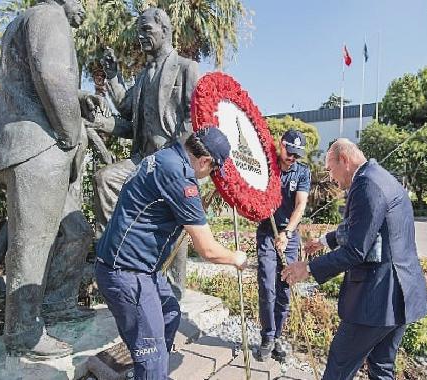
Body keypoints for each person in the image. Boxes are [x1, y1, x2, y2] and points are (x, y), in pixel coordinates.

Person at [94, 127, 247, 379]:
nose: (212, 175)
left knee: (170, 313)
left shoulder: (166, 156)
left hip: (140, 269)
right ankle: (151, 369)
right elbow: (207, 249)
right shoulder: (179, 177)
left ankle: (151, 370)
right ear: (204, 160)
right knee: (152, 355)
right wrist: (235, 258)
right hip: (128, 273)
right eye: (214, 170)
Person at [0, 0, 90, 358]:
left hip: (37, 145)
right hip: (38, 146)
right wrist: (71, 131)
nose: (86, 8)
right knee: (33, 243)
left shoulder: (25, 20)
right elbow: (51, 73)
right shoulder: (49, 15)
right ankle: (23, 332)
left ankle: (58, 304)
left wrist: (76, 99)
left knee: (76, 231)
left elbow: (36, 79)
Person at [281, 139, 427, 380]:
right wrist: (325, 240)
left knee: (339, 367)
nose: (330, 177)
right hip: (401, 295)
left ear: (344, 160)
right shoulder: (382, 177)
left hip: (377, 298)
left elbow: (356, 250)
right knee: (382, 367)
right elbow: (363, 228)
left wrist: (307, 268)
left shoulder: (366, 184)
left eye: (330, 169)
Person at [89, 7, 199, 299]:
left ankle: (173, 289)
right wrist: (112, 78)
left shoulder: (186, 68)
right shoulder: (143, 75)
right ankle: (116, 252)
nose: (140, 36)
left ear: (165, 30)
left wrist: (179, 162)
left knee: (174, 215)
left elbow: (194, 119)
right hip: (142, 159)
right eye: (139, 31)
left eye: (146, 29)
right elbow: (126, 110)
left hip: (170, 161)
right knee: (105, 179)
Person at [255, 129, 311, 361]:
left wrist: (287, 232)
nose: (292, 158)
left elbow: (300, 205)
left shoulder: (303, 172)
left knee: (284, 289)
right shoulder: (267, 168)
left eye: (297, 155)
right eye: (289, 152)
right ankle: (267, 336)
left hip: (289, 236)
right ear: (281, 145)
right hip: (268, 233)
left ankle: (278, 335)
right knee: (267, 286)